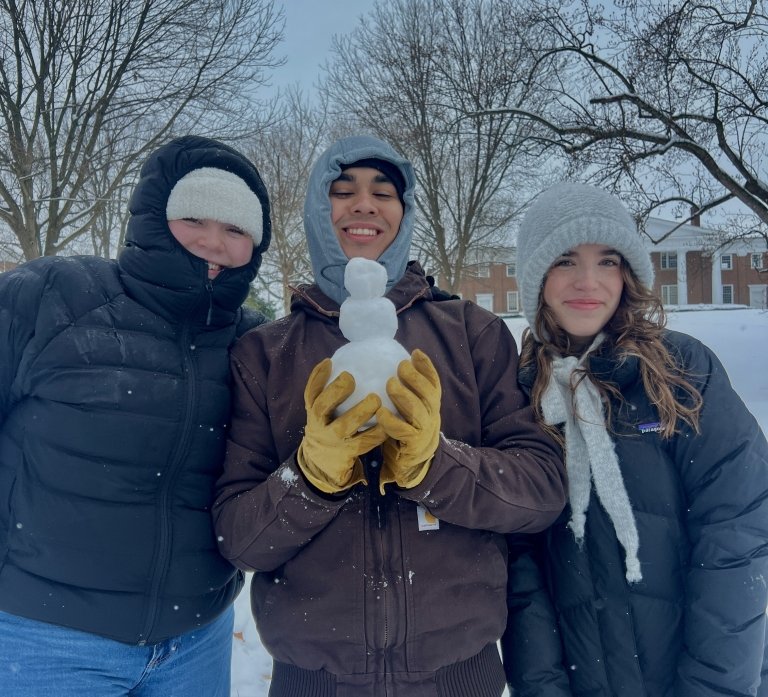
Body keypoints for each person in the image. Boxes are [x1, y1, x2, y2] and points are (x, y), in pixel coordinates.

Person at [212, 134, 567, 696]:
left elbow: (541, 491)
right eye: (343, 190)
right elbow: (241, 540)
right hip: (315, 682)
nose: (364, 204)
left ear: (404, 213)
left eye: (384, 192)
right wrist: (311, 478)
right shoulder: (264, 354)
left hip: (459, 679)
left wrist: (435, 466)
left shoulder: (472, 335)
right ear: (315, 209)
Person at [0, 135, 272, 696]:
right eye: (193, 217)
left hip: (197, 640)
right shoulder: (51, 296)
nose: (213, 243)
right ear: (153, 216)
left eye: (237, 229)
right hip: (47, 636)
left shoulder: (255, 344)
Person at [501, 182, 768, 696]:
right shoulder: (518, 398)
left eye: (607, 260)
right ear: (536, 276)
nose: (588, 281)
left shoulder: (681, 371)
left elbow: (736, 532)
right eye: (564, 259)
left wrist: (711, 689)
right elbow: (519, 572)